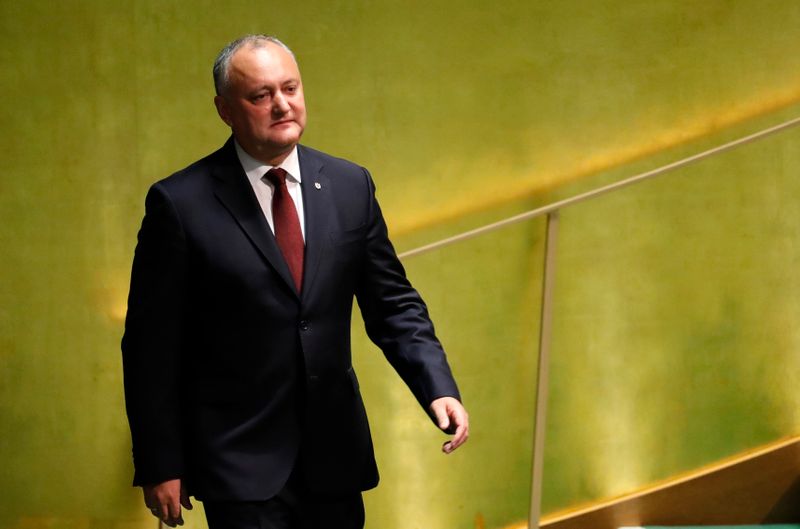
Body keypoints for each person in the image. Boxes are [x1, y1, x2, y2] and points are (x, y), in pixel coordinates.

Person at [121, 34, 469, 529]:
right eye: (261, 95)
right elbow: (149, 347)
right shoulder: (179, 205)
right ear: (224, 109)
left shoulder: (352, 186)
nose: (282, 105)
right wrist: (161, 462)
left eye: (290, 88)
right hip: (237, 463)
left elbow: (392, 304)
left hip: (334, 457)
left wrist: (437, 386)